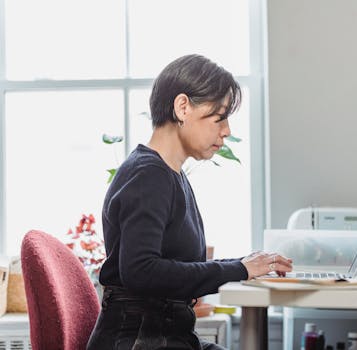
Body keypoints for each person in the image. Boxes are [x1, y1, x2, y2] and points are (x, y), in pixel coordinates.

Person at [87, 54, 293, 350]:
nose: (227, 131)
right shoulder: (149, 175)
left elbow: (175, 266)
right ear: (183, 107)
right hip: (139, 341)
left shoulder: (169, 174)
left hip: (164, 336)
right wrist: (241, 269)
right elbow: (141, 271)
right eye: (219, 117)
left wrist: (246, 264)